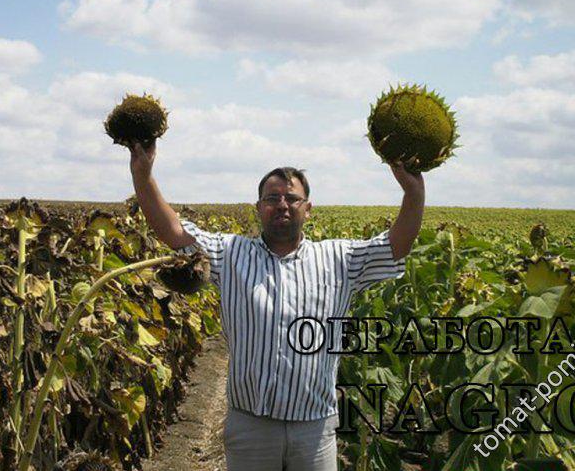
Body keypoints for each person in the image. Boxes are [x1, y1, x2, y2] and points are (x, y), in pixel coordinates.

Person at [129, 140, 425, 471]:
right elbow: (175, 232)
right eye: (272, 199)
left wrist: (413, 193)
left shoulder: (339, 259)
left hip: (314, 427)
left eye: (292, 198)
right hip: (250, 425)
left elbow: (395, 246)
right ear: (258, 207)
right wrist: (143, 176)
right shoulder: (231, 254)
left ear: (308, 208)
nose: (282, 205)